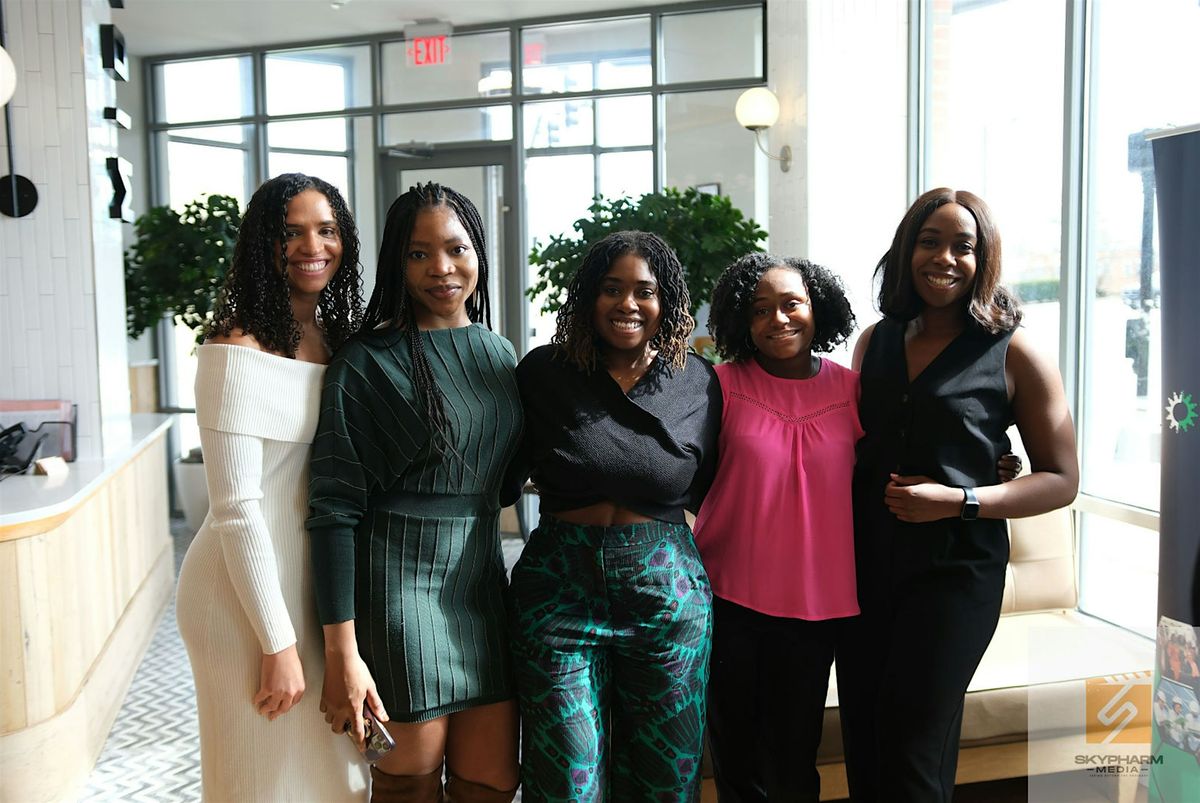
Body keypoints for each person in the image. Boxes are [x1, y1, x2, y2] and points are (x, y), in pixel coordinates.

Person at [839, 188, 1079, 802]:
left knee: (911, 749)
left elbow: (1062, 479)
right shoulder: (874, 342)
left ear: (983, 259)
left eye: (963, 246)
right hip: (864, 570)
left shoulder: (1014, 351)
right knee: (865, 742)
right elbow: (856, 445)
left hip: (955, 574)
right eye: (930, 242)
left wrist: (962, 499)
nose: (944, 258)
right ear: (907, 251)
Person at [307, 183, 523, 803]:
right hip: (397, 598)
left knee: (492, 781)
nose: (441, 268)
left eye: (456, 249)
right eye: (418, 254)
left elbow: (502, 476)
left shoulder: (499, 353)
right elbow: (333, 511)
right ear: (395, 265)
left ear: (478, 253)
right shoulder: (365, 362)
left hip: (481, 588)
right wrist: (342, 654)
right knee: (407, 782)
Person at [503, 230, 721, 802]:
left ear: (665, 301)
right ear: (588, 296)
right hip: (558, 593)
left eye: (644, 291)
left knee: (664, 779)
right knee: (566, 780)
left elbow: (712, 484)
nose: (628, 303)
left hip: (666, 594)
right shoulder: (543, 372)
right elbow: (501, 471)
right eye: (611, 288)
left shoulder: (697, 380)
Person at [176, 172, 367, 801]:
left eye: (327, 230)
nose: (313, 246)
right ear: (265, 243)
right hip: (242, 598)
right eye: (292, 232)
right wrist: (276, 642)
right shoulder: (233, 345)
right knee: (255, 781)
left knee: (335, 778)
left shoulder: (335, 339)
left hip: (312, 584)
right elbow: (236, 509)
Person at [692, 253, 859, 803]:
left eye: (791, 304)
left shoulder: (855, 390)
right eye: (760, 310)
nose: (778, 319)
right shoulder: (718, 386)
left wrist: (992, 464)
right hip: (729, 599)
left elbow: (907, 457)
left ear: (817, 308)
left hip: (816, 607)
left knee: (793, 762)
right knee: (735, 759)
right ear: (743, 321)